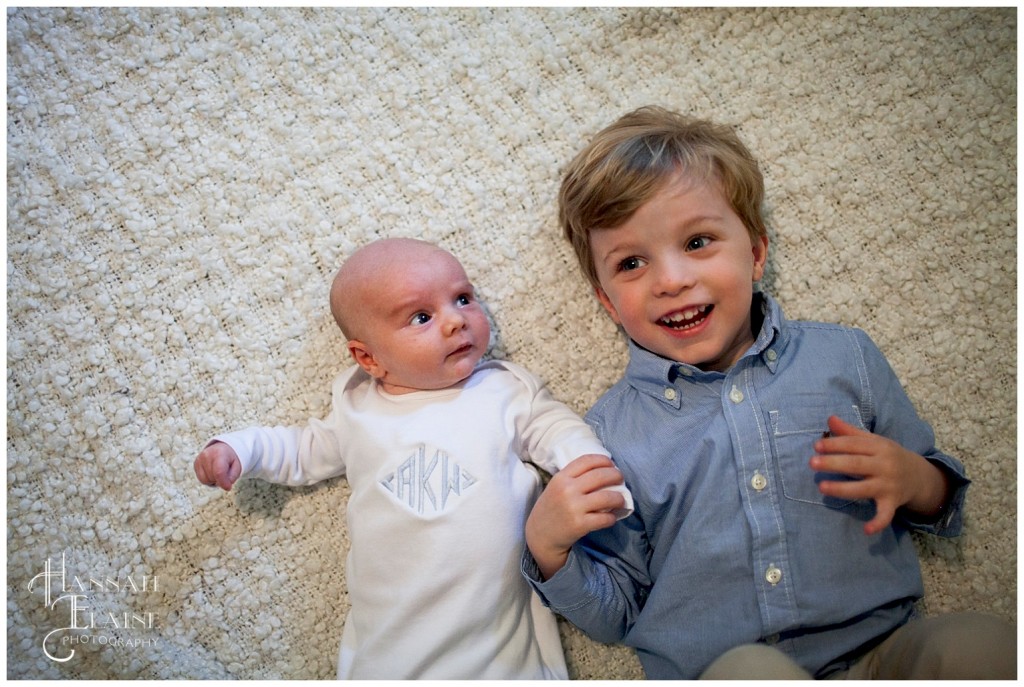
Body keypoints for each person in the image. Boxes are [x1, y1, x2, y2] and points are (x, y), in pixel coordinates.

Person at [521, 106, 1015, 679]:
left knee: (980, 646)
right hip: (726, 668)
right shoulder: (607, 434)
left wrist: (916, 480)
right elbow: (619, 610)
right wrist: (550, 550)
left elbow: (941, 500)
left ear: (755, 254)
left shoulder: (842, 357)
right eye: (632, 263)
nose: (672, 280)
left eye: (699, 241)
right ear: (607, 301)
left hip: (879, 654)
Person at [194, 237, 632, 680]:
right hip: (391, 631)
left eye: (463, 298)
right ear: (369, 358)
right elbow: (301, 449)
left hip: (494, 630)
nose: (455, 321)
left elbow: (554, 427)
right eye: (421, 317)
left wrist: (589, 469)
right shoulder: (357, 409)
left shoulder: (503, 390)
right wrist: (240, 449)